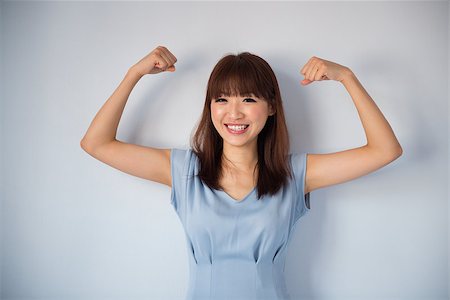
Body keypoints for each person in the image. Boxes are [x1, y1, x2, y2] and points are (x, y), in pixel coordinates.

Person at [80, 46, 402, 300]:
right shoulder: (183, 171)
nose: (234, 113)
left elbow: (385, 150)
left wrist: (347, 77)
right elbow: (96, 144)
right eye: (221, 99)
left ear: (271, 107)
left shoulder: (296, 173)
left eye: (248, 99)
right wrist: (134, 73)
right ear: (210, 107)